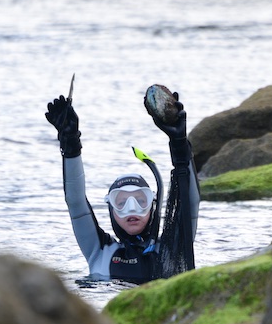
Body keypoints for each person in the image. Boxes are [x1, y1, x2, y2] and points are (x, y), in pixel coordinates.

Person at [45, 85, 200, 284]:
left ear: (152, 205)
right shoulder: (100, 251)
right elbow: (75, 201)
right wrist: (71, 145)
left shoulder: (173, 247)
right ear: (111, 209)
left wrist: (179, 143)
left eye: (140, 200)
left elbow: (191, 203)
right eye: (121, 202)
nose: (131, 209)